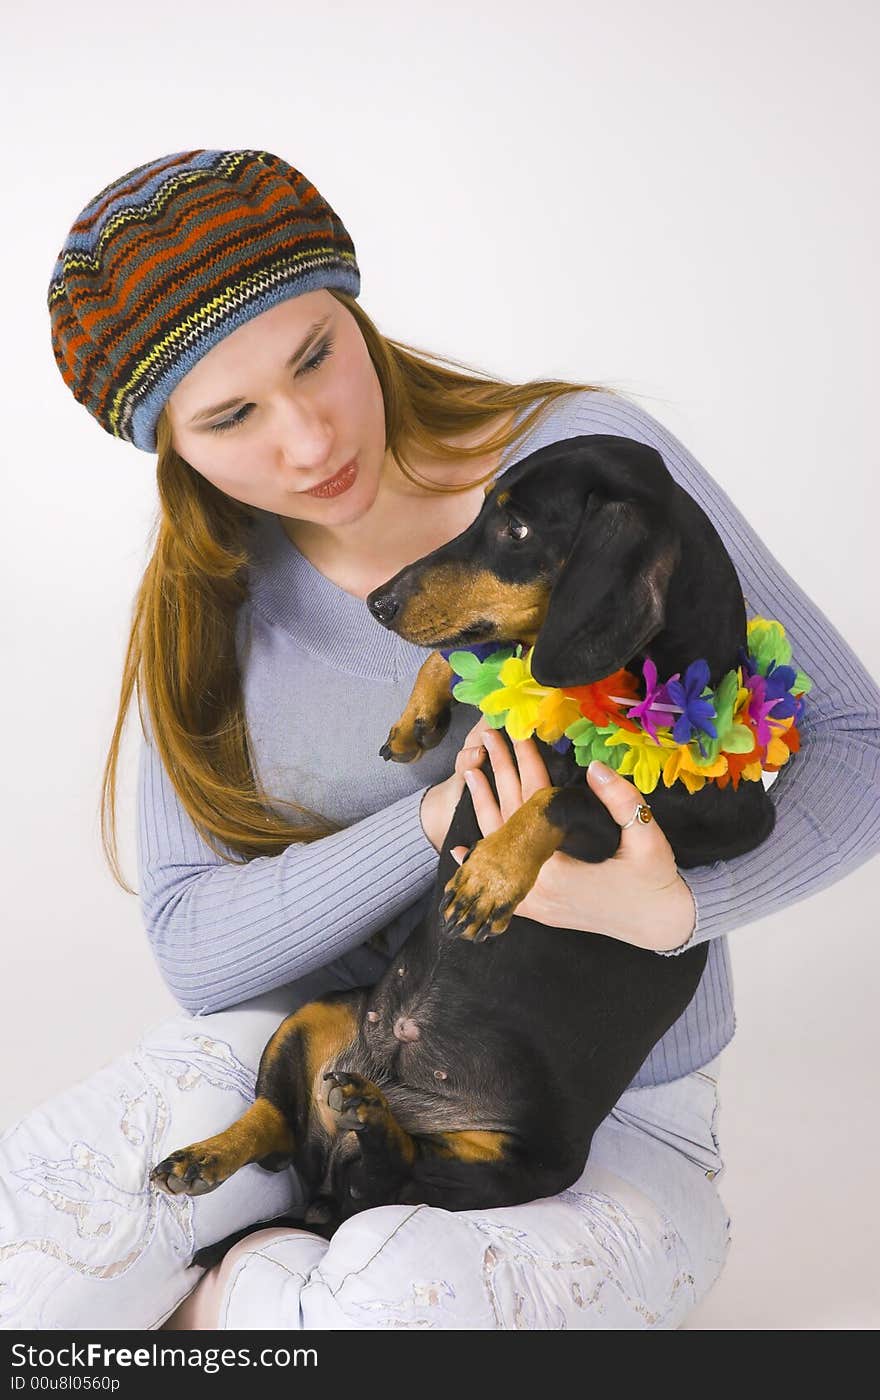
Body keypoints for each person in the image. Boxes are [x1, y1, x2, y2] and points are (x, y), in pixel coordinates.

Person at [2, 148, 877, 1332]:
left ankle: (254, 1286)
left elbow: (856, 738)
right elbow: (195, 947)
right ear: (175, 451)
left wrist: (677, 911)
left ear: (356, 311)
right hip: (302, 1057)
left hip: (590, 1113)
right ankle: (255, 1272)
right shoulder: (201, 594)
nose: (308, 441)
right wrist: (432, 820)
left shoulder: (587, 468)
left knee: (376, 1318)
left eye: (315, 353)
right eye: (231, 415)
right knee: (29, 1272)